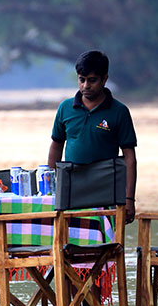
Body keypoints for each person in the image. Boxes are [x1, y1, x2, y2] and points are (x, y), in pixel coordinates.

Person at [48, 50, 137, 223]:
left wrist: (129, 199)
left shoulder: (119, 111)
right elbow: (56, 146)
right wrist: (52, 188)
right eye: (82, 79)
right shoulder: (65, 108)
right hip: (72, 186)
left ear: (104, 79)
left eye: (92, 80)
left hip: (108, 190)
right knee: (70, 238)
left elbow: (129, 157)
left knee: (109, 242)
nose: (86, 86)